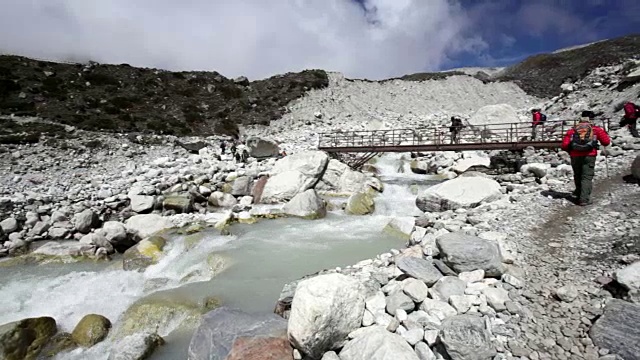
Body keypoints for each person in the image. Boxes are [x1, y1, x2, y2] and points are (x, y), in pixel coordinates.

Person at [560, 111, 611, 206]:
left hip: (575, 156)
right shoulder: (596, 129)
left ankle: (579, 194)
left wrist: (571, 150)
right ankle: (584, 199)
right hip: (589, 155)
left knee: (577, 175)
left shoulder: (572, 130)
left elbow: (564, 145)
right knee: (586, 177)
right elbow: (606, 142)